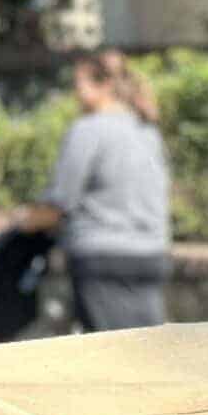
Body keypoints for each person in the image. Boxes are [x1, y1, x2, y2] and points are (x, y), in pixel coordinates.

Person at [19, 51, 171, 332]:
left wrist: (19, 223)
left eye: (79, 84)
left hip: (103, 259)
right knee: (148, 353)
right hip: (151, 255)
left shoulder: (88, 130)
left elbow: (59, 203)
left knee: (112, 358)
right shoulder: (147, 130)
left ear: (103, 86)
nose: (75, 93)